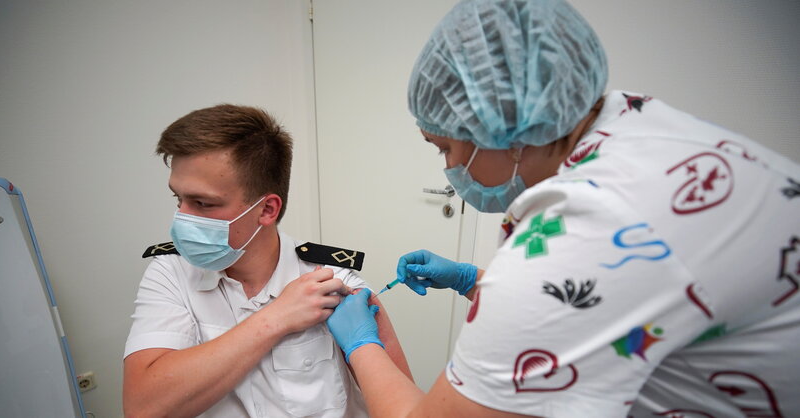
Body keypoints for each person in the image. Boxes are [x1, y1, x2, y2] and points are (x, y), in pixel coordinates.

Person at [325, 0, 800, 417]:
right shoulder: (640, 125)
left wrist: (362, 345)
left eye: (444, 147)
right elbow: (616, 291)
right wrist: (475, 281)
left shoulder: (587, 227)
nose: (448, 168)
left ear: (505, 132)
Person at [123, 104, 411, 417]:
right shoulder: (170, 273)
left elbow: (403, 408)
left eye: (203, 203)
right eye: (178, 198)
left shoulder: (333, 279)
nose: (181, 218)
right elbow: (143, 407)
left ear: (267, 209)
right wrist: (275, 318)